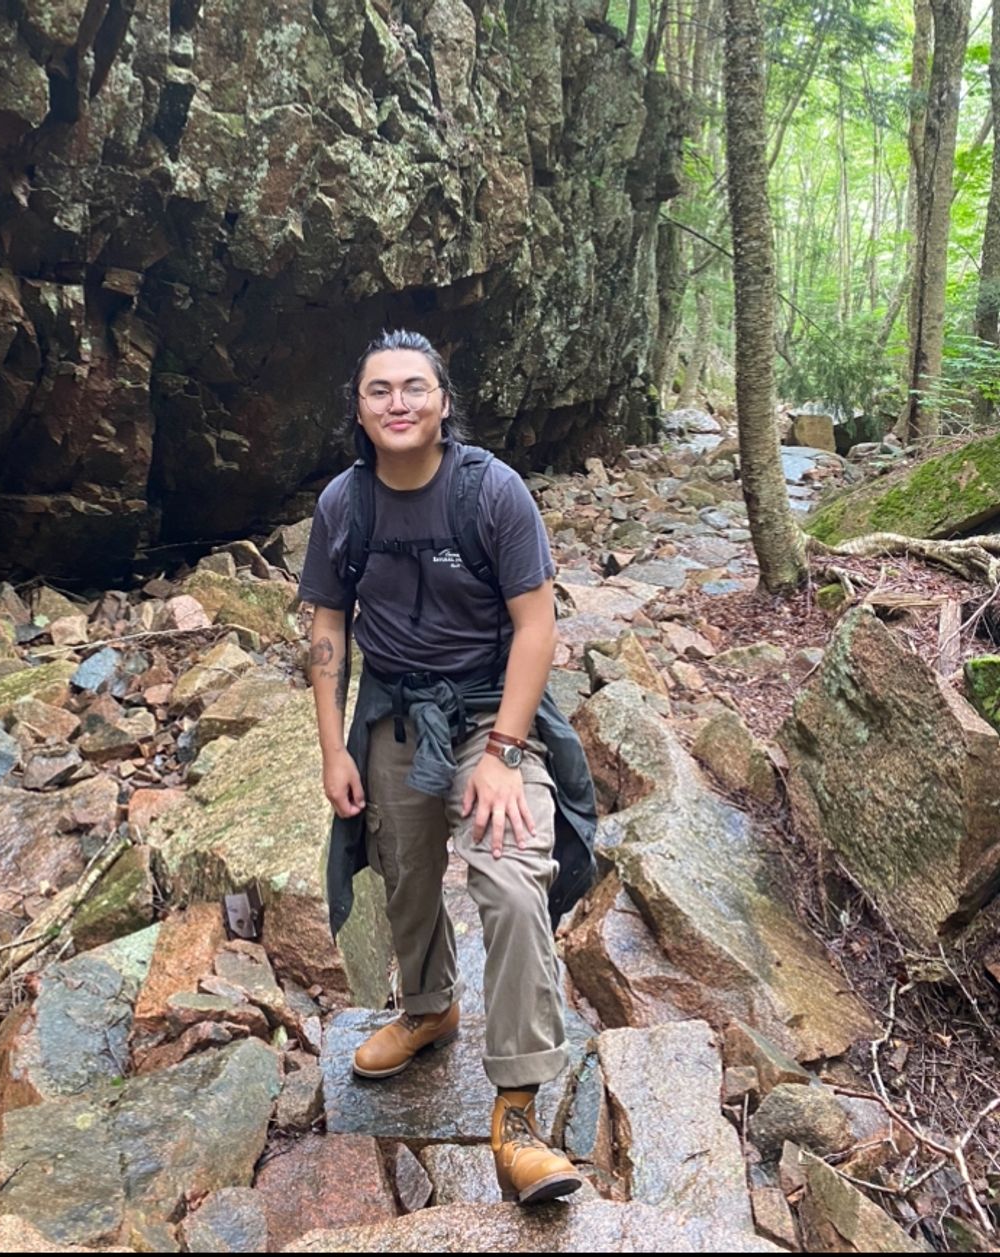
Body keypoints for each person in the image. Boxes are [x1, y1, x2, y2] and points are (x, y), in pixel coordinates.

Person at [299, 329, 598, 1206]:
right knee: (406, 871)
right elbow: (326, 626)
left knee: (508, 879)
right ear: (359, 408)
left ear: (441, 401)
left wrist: (504, 754)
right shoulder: (343, 505)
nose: (398, 402)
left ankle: (516, 1113)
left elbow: (537, 626)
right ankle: (428, 1006)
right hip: (393, 712)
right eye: (380, 389)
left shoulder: (491, 492)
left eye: (414, 388)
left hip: (489, 713)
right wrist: (331, 748)